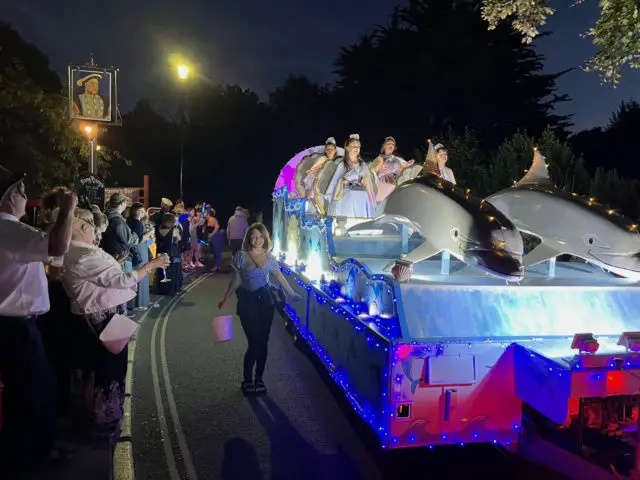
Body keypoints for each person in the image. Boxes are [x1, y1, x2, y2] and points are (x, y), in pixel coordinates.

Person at [0, 166, 77, 479]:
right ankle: (26, 463)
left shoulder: (12, 232)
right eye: (19, 192)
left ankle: (35, 453)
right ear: (5, 198)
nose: (24, 197)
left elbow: (50, 261)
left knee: (34, 389)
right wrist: (68, 209)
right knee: (31, 396)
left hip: (14, 326)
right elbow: (57, 247)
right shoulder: (8, 229)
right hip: (16, 326)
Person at [63, 209, 169, 429]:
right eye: (93, 225)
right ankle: (105, 417)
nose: (97, 230)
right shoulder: (84, 254)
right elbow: (122, 281)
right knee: (109, 368)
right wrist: (151, 265)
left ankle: (98, 414)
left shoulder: (75, 251)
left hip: (93, 316)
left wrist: (115, 264)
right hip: (100, 318)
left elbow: (101, 278)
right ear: (84, 227)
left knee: (99, 368)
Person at [218, 223, 301, 395]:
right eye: (253, 236)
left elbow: (279, 277)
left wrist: (292, 294)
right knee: (254, 342)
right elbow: (236, 280)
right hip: (247, 303)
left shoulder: (270, 258)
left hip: (265, 303)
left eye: (260, 236)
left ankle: (259, 378)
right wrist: (226, 297)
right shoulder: (241, 256)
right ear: (248, 238)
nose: (257, 240)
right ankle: (247, 379)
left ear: (265, 238)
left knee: (263, 343)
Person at [325, 134, 377, 218]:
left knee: (364, 195)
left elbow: (367, 178)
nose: (356, 148)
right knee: (352, 194)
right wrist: (343, 181)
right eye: (354, 146)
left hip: (360, 189)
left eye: (358, 146)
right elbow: (336, 180)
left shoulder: (362, 164)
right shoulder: (343, 164)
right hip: (346, 189)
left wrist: (365, 180)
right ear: (347, 148)